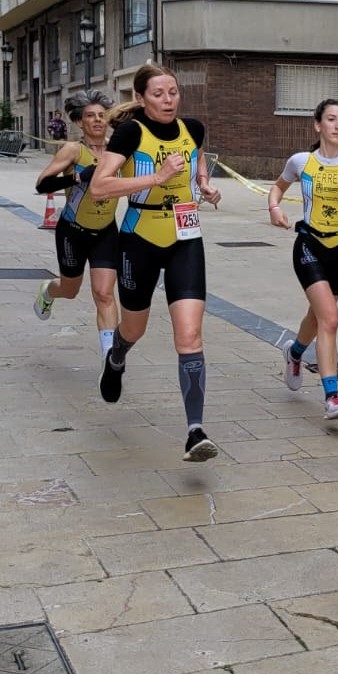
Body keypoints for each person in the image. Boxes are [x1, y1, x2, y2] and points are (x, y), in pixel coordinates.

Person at [89, 63, 222, 462]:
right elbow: (99, 187)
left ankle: (195, 431)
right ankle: (116, 356)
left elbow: (197, 159)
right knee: (135, 327)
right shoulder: (131, 133)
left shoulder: (193, 129)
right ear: (142, 98)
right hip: (139, 239)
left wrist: (204, 184)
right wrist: (157, 178)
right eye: (159, 94)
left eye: (173, 93)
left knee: (190, 335)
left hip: (185, 238)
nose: (168, 100)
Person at [267, 99, 338, 420]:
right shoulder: (301, 161)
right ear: (318, 125)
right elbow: (277, 188)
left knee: (318, 316)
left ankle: (295, 352)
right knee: (329, 318)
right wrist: (274, 208)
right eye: (331, 119)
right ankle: (332, 396)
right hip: (310, 245)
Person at [33, 91, 120, 358]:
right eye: (91, 116)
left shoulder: (118, 151)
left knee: (104, 293)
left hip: (106, 231)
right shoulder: (73, 150)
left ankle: (111, 359)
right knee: (69, 290)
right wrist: (79, 177)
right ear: (80, 122)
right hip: (72, 232)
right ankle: (48, 291)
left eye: (102, 116)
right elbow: (42, 185)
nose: (98, 120)